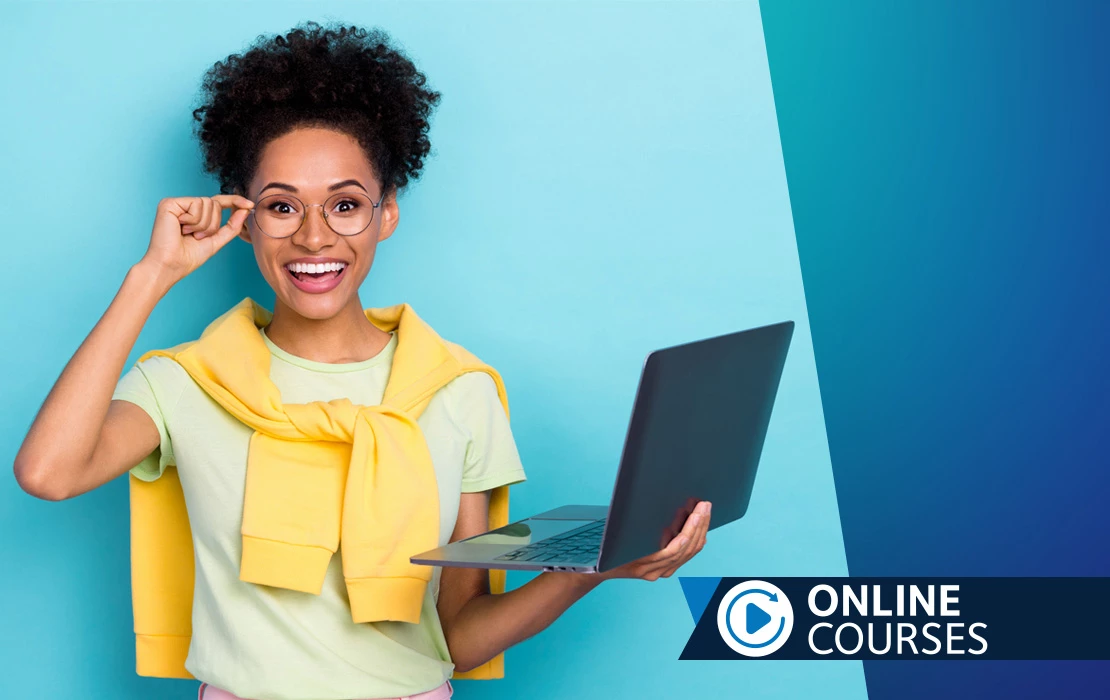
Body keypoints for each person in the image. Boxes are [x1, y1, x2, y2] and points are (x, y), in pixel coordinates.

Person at [13, 21, 711, 700]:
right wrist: (153, 274)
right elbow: (48, 473)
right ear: (246, 219)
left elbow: (460, 635)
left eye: (345, 204)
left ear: (387, 213)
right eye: (281, 207)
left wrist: (589, 566)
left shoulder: (459, 391)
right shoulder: (188, 381)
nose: (314, 237)